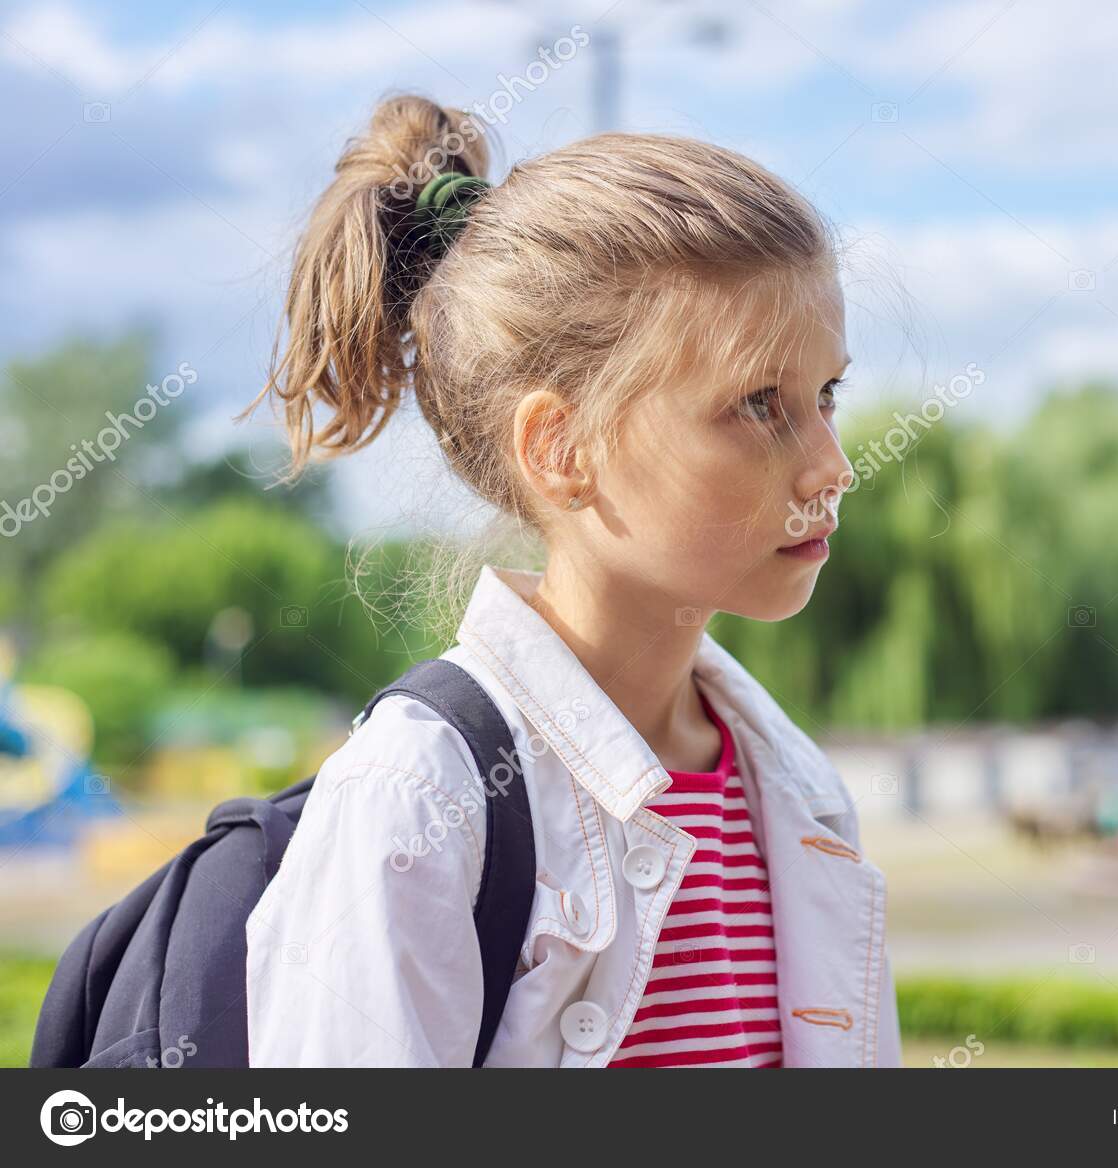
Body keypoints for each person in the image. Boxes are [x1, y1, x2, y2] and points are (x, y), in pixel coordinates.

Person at [239, 94, 900, 1068]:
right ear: (561, 448)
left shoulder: (798, 791)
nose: (832, 465)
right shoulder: (418, 798)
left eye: (827, 395)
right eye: (760, 404)